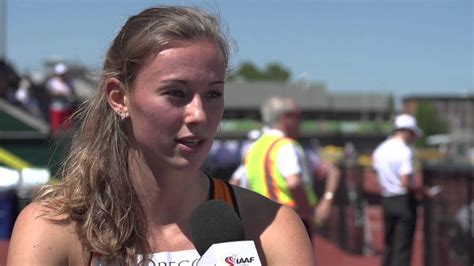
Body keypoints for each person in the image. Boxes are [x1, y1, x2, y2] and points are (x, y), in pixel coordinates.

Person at [7, 6, 316, 265]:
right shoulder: (52, 230)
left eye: (212, 94)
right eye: (176, 93)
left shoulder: (273, 227)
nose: (199, 114)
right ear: (119, 98)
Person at [244, 95, 340, 234]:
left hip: (260, 220)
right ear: (285, 118)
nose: (301, 122)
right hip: (291, 218)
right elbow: (294, 183)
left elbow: (243, 183)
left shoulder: (254, 148)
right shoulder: (286, 145)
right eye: (297, 116)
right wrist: (308, 214)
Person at [372, 113, 432, 266]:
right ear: (407, 131)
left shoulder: (380, 150)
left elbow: (376, 175)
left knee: (389, 243)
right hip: (403, 200)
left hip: (387, 199)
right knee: (402, 246)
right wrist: (422, 190)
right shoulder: (405, 151)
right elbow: (405, 182)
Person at [45, 62, 76, 134]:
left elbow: (73, 92)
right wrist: (59, 94)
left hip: (68, 108)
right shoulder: (52, 82)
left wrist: (70, 95)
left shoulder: (70, 81)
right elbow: (49, 93)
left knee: (68, 128)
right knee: (57, 128)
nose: (62, 76)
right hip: (57, 108)